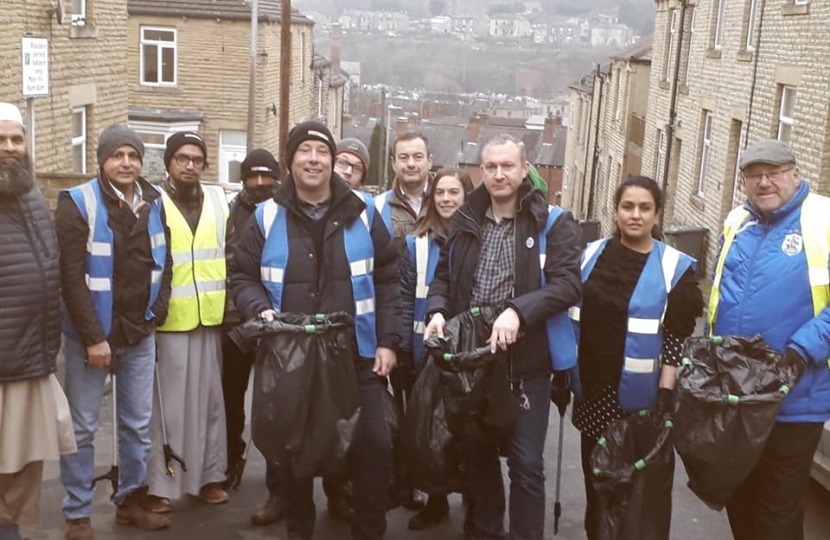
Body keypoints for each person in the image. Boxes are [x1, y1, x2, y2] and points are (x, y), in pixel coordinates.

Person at [230, 121, 400, 540]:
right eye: (304, 150)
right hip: (292, 358)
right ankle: (299, 530)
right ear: (290, 161)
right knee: (294, 454)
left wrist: (387, 341)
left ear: (331, 159)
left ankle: (368, 530)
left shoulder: (366, 211)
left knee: (374, 447)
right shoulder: (267, 215)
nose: (313, 158)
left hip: (358, 354)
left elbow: (390, 279)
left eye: (321, 151)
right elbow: (242, 277)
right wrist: (260, 311)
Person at [424, 134, 582, 540]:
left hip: (525, 364)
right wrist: (438, 311)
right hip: (472, 361)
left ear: (525, 168)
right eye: (490, 166)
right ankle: (486, 530)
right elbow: (443, 276)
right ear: (481, 171)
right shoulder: (465, 219)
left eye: (507, 166)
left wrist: (518, 311)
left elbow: (567, 286)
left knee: (526, 463)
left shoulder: (555, 223)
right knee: (477, 458)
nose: (498, 174)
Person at [569, 176, 703, 540]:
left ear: (657, 214)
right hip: (593, 397)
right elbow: (571, 319)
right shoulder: (589, 256)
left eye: (645, 208)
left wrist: (665, 393)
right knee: (597, 487)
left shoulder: (674, 268)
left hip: (642, 405)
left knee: (635, 497)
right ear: (615, 212)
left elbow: (676, 337)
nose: (635, 215)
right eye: (628, 207)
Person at [708, 139, 830, 540]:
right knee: (739, 497)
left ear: (795, 174)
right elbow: (718, 295)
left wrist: (801, 350)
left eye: (773, 173)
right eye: (754, 175)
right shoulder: (736, 222)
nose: (764, 183)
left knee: (778, 512)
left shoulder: (823, 219)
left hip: (796, 396)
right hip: (738, 396)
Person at [56, 124, 172, 539]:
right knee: (83, 426)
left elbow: (166, 264)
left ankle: (130, 502)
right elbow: (70, 277)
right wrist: (92, 337)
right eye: (118, 155)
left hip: (138, 333)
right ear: (103, 160)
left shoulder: (154, 201)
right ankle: (77, 513)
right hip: (92, 337)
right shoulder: (77, 203)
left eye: (133, 156)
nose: (127, 163)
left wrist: (155, 315)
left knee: (136, 426)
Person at [0, 103, 76, 540]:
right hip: (3, 367)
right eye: (2, 140)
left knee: (24, 477)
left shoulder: (30, 196)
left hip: (32, 362)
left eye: (17, 139)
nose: (10, 148)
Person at [145, 132, 230, 512]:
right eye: (182, 158)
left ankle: (209, 478)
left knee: (210, 404)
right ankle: (161, 485)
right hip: (169, 320)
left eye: (197, 159)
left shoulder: (217, 199)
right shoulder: (153, 201)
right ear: (168, 162)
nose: (190, 165)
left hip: (210, 317)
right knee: (167, 410)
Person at [399, 167, 473, 530]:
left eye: (454, 192)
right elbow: (402, 298)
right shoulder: (416, 244)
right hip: (424, 353)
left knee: (469, 433)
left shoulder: (482, 239)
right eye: (440, 192)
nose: (446, 199)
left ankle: (475, 504)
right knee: (432, 433)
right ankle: (436, 501)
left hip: (470, 356)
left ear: (467, 196)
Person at [220, 148, 286, 525]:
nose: (260, 183)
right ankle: (232, 458)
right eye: (252, 176)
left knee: (278, 406)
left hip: (277, 325)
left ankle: (279, 485)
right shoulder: (230, 211)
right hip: (234, 323)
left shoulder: (285, 212)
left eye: (267, 176)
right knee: (231, 397)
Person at [375, 131, 433, 254]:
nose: (411, 164)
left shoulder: (448, 204)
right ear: (393, 163)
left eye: (418, 157)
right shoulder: (377, 207)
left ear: (429, 161)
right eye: (404, 157)